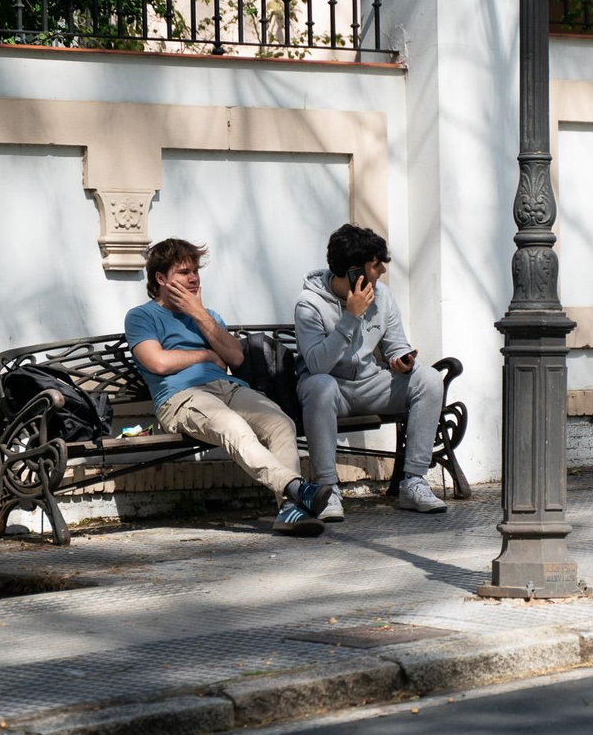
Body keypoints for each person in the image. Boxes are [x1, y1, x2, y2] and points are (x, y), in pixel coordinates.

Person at [125, 238, 332, 536]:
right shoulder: (141, 316)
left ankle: (289, 510)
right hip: (180, 398)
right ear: (161, 278)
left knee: (281, 423)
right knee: (233, 426)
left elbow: (235, 356)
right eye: (184, 272)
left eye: (196, 271)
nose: (194, 278)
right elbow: (156, 362)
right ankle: (296, 488)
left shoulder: (209, 316)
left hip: (228, 387)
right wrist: (206, 354)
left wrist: (198, 313)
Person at [294, 223, 447, 520]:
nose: (382, 272)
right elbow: (317, 366)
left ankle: (413, 482)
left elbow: (396, 344)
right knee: (320, 385)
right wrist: (351, 317)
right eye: (376, 265)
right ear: (355, 271)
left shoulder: (384, 297)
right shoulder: (309, 304)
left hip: (370, 384)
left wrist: (402, 359)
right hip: (330, 390)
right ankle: (327, 490)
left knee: (429, 378)